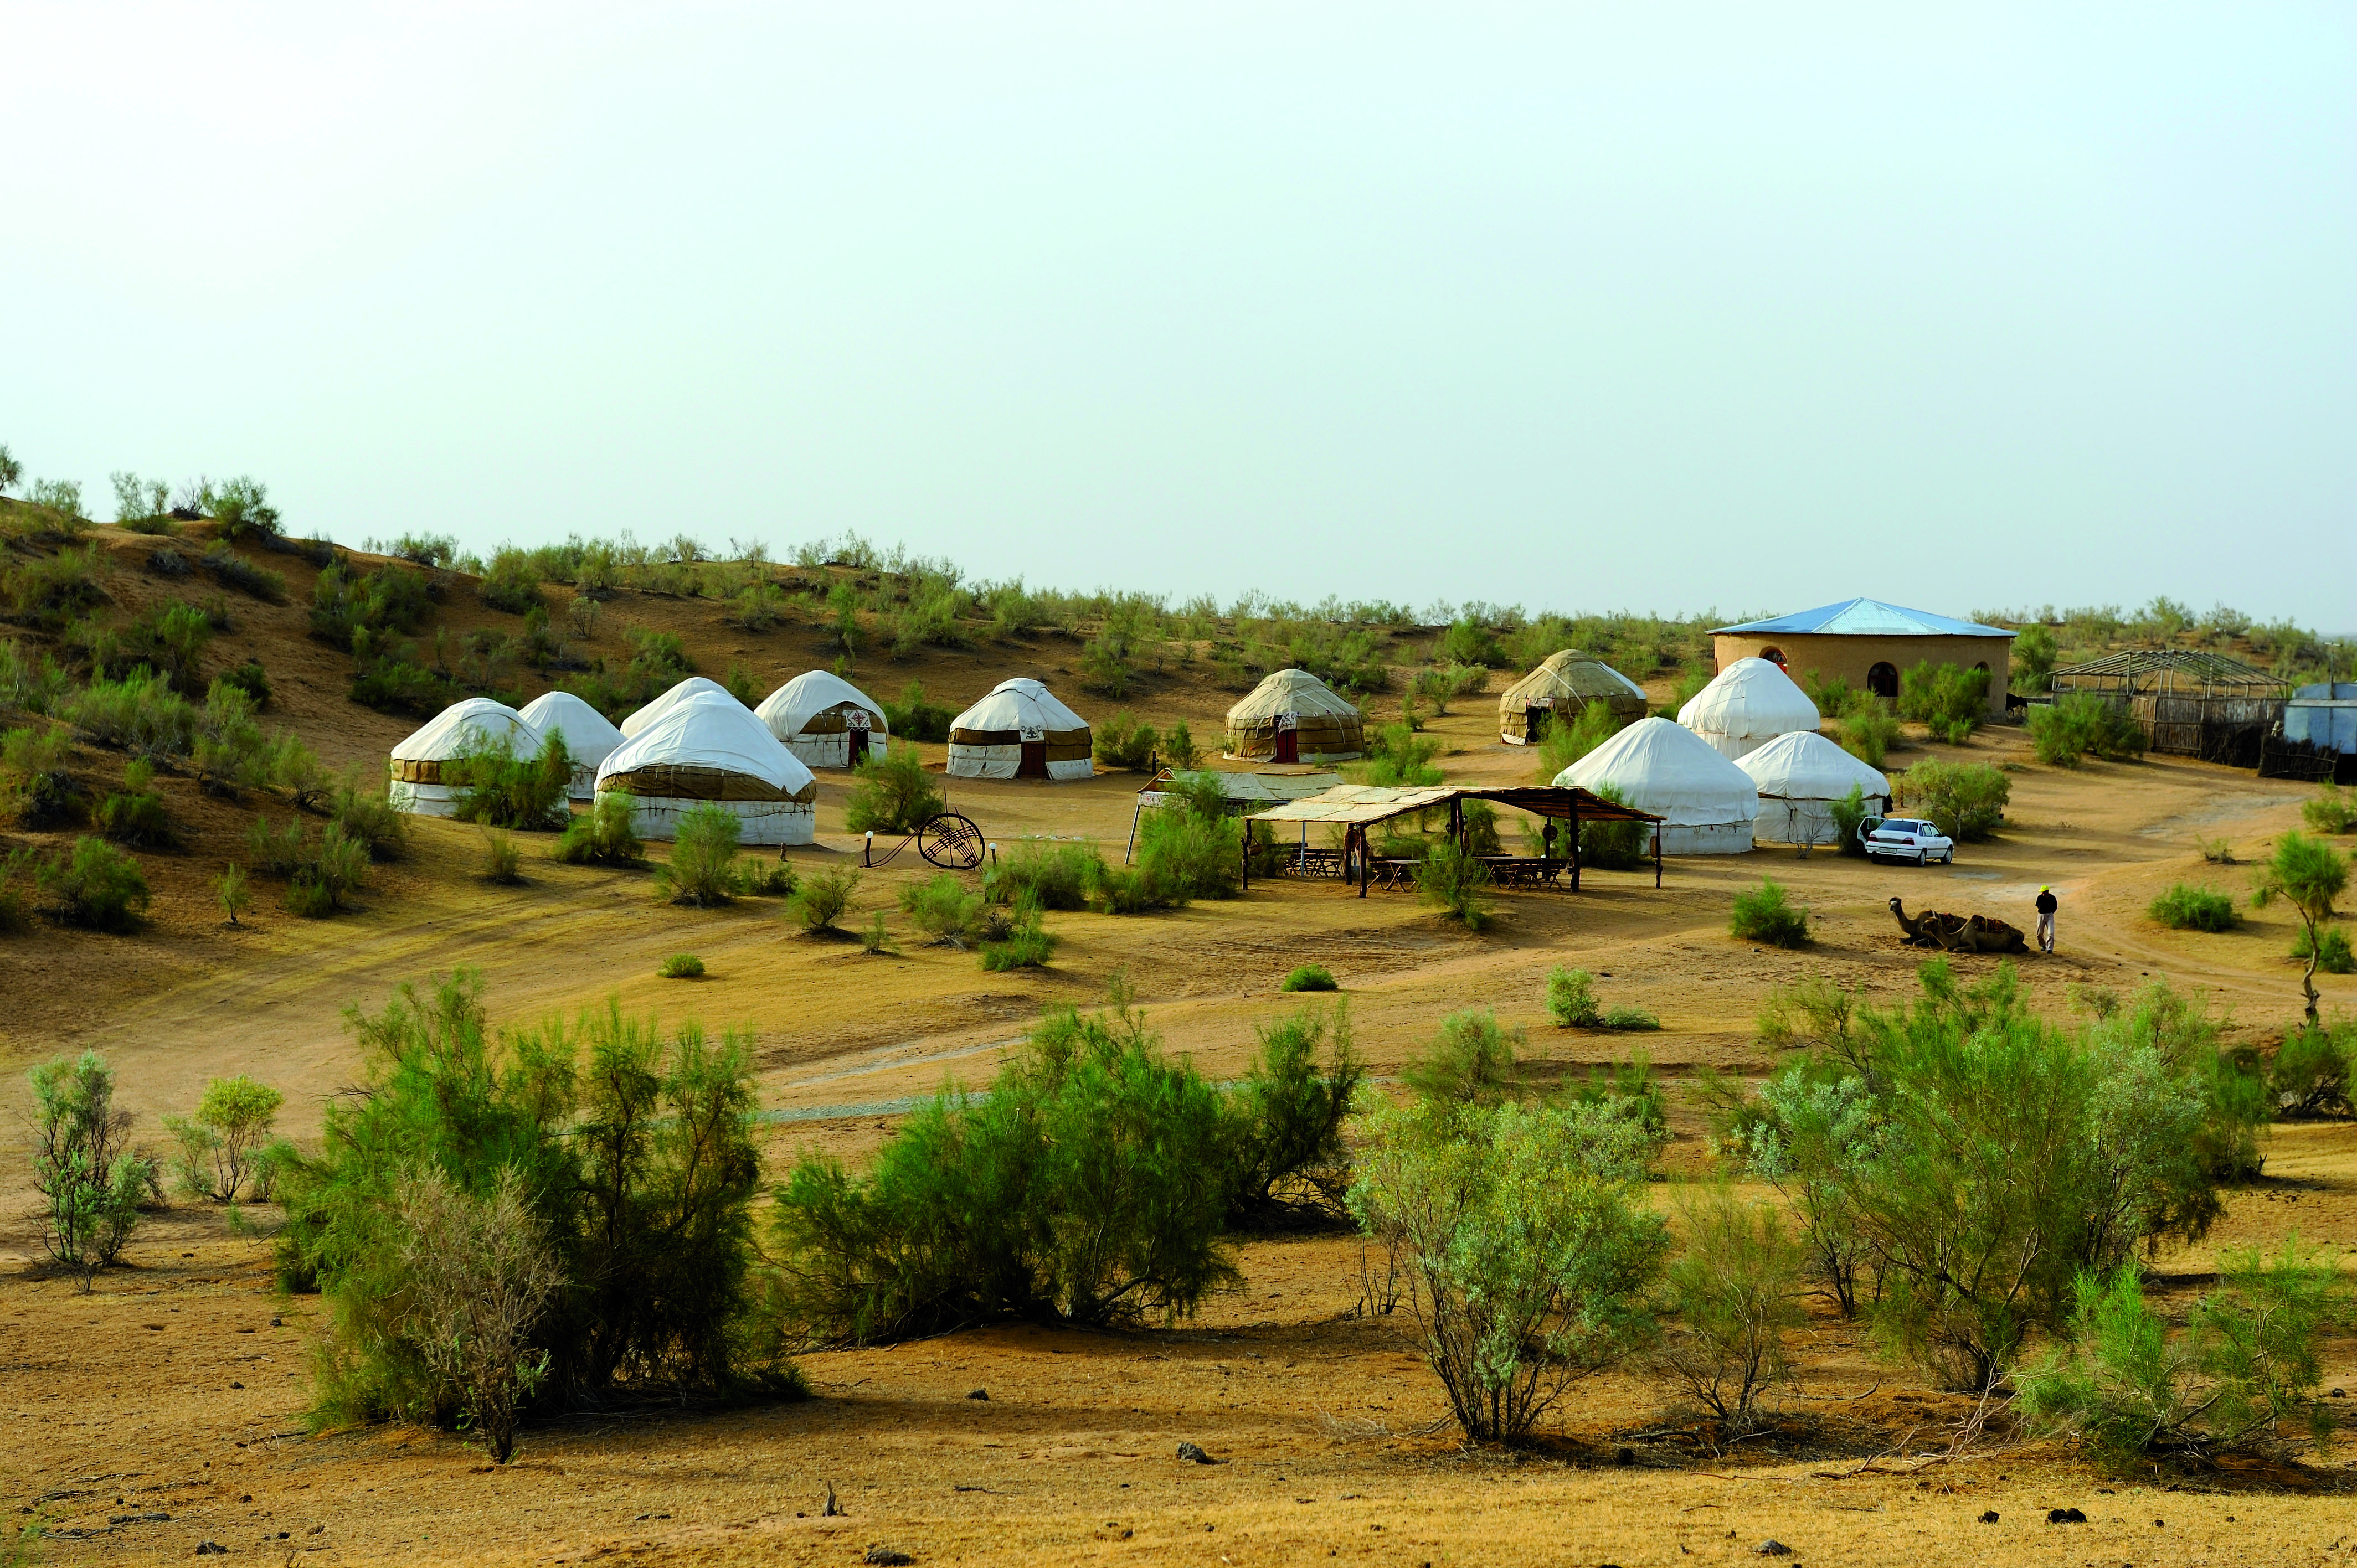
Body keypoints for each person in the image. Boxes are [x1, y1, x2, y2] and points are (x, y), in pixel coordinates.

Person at [2035, 885, 2058, 953]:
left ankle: (2050, 948)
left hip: (2050, 916)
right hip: (2041, 916)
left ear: (2047, 892)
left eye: (2043, 892)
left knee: (2050, 933)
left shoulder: (2053, 898)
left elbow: (2055, 907)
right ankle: (2043, 945)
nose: (2042, 893)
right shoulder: (2040, 898)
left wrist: (2051, 913)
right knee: (2039, 933)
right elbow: (2038, 906)